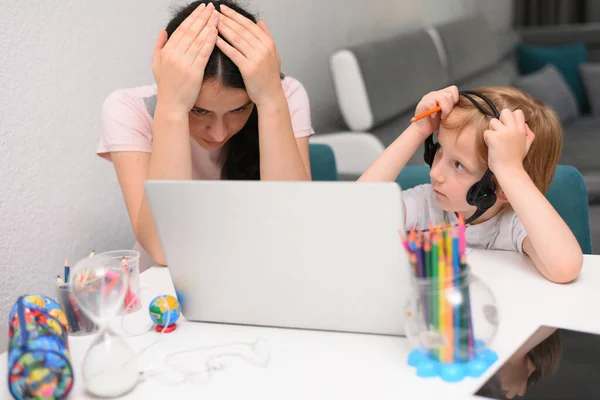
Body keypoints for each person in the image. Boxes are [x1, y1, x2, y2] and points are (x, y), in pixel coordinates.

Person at [98, 1, 314, 268]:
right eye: (200, 112)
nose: (219, 132)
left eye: (239, 109)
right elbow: (166, 249)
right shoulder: (128, 108)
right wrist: (172, 107)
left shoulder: (285, 95)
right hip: (165, 284)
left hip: (259, 269)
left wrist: (270, 99)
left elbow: (292, 229)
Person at [359, 85, 583, 284]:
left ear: (501, 186)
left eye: (459, 165)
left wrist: (511, 171)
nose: (435, 173)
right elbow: (353, 212)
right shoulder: (427, 204)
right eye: (439, 150)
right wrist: (417, 130)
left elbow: (565, 268)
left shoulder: (514, 225)